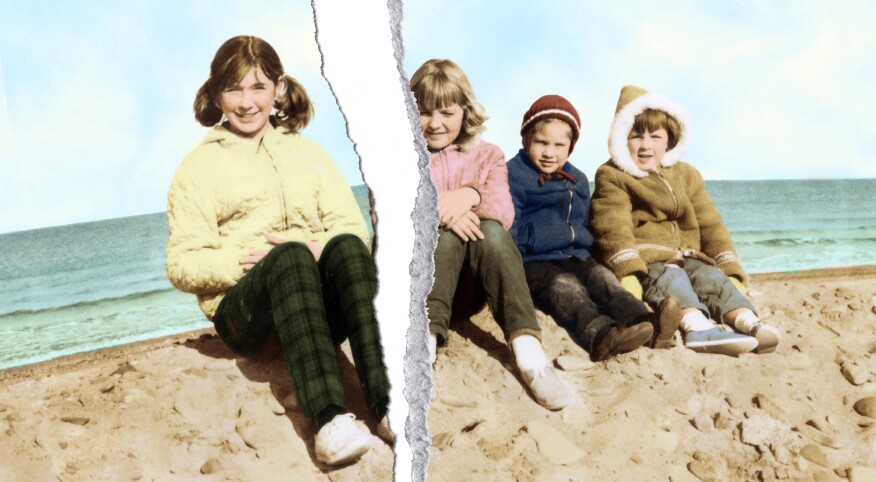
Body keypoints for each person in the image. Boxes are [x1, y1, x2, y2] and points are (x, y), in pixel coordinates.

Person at [166, 35, 391, 466]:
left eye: (258, 87)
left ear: (278, 87)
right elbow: (181, 264)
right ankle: (330, 420)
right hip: (248, 317)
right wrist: (238, 263)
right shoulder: (197, 168)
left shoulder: (308, 153)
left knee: (342, 247)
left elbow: (350, 229)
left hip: (313, 308)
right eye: (234, 89)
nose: (247, 102)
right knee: (286, 258)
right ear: (216, 94)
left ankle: (387, 406)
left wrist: (315, 246)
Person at [412, 59, 573, 411]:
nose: (435, 123)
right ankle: (422, 351)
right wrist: (441, 210)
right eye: (424, 112)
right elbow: (388, 217)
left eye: (446, 112)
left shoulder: (486, 156)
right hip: (419, 286)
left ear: (464, 111)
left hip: (468, 289)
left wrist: (467, 196)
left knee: (491, 231)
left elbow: (502, 209)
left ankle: (528, 351)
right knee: (448, 236)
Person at [590, 85, 781, 356]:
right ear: (621, 139)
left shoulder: (686, 174)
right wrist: (629, 273)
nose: (646, 145)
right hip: (650, 259)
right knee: (672, 278)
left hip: (690, 255)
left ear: (669, 140)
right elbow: (611, 226)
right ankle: (696, 327)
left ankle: (746, 321)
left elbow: (709, 223)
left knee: (711, 278)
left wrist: (731, 269)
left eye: (655, 136)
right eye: (635, 136)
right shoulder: (612, 175)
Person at [507, 95, 673, 362]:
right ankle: (601, 336)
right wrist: (511, 268)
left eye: (559, 145)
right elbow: (508, 222)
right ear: (526, 139)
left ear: (570, 146)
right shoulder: (514, 174)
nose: (550, 152)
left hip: (576, 256)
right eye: (541, 143)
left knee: (602, 279)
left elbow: (585, 223)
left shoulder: (578, 179)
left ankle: (645, 322)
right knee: (567, 288)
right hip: (534, 262)